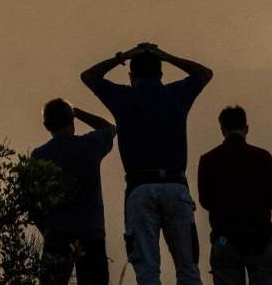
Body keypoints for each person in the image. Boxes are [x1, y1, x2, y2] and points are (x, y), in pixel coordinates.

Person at [81, 43, 212, 285]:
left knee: (148, 272)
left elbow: (88, 76)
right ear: (161, 75)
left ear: (132, 76)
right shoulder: (176, 94)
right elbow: (204, 74)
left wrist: (123, 55)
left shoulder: (123, 98)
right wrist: (167, 55)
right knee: (188, 269)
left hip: (140, 188)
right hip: (175, 186)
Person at [31, 98, 117, 285]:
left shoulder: (39, 155)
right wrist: (77, 111)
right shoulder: (90, 145)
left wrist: (45, 228)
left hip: (57, 233)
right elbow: (109, 128)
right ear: (72, 121)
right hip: (90, 232)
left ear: (47, 126)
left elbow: (30, 199)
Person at [198, 106, 272, 285]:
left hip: (224, 239)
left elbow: (206, 201)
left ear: (222, 130)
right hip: (260, 238)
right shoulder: (263, 157)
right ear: (246, 128)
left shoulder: (208, 160)